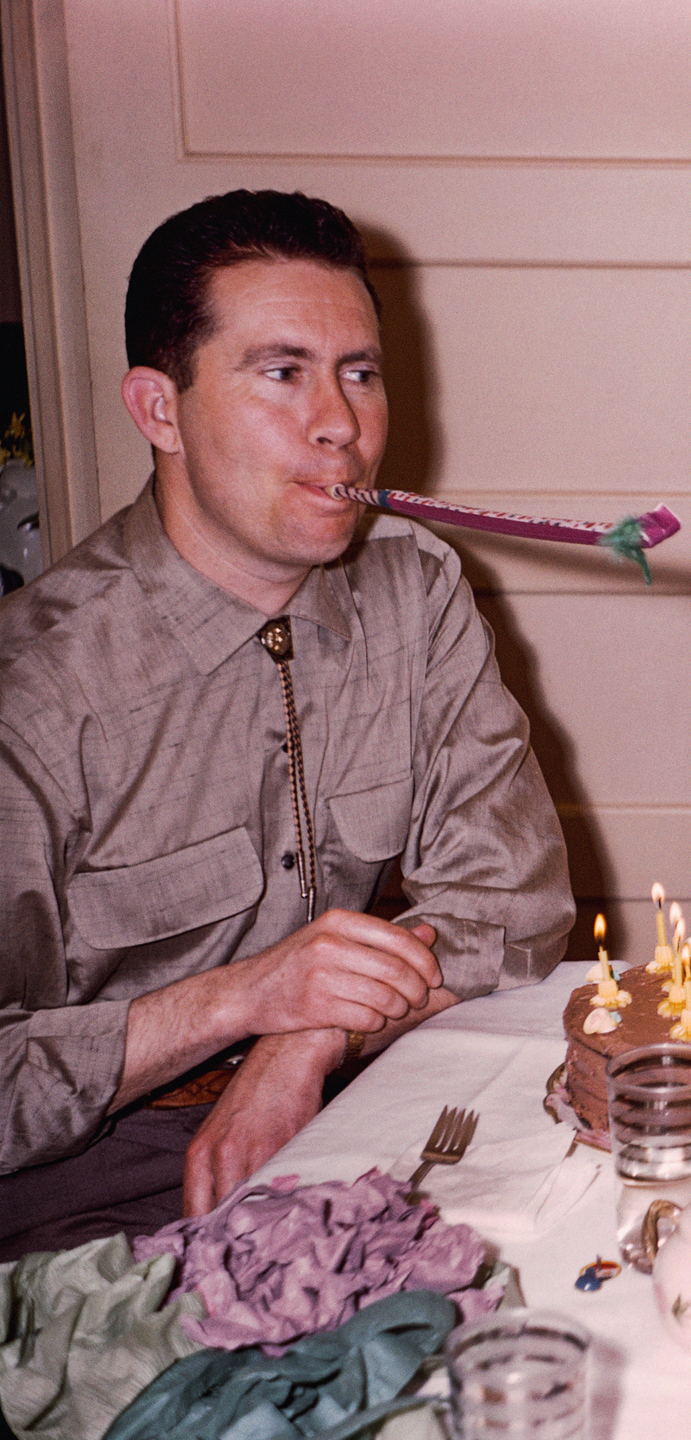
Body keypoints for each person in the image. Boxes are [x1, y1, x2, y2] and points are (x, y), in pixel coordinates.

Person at [0, 190, 574, 1260]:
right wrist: (236, 1002)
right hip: (90, 1195)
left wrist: (306, 1031)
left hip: (358, 1111)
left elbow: (514, 900)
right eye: (282, 371)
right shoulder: (34, 689)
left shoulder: (416, 592)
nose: (342, 425)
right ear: (158, 409)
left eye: (359, 371)